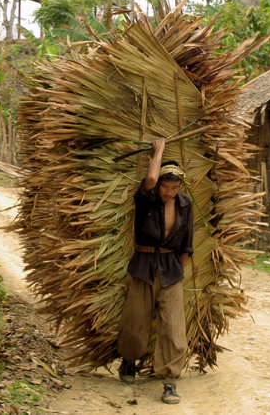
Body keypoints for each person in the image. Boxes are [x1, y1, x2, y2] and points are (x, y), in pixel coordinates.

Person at [117, 138, 194, 405]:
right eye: (165, 186)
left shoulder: (185, 204)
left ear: (180, 187)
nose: (168, 192)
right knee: (135, 321)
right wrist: (158, 150)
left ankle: (170, 381)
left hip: (171, 271)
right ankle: (128, 362)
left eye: (174, 187)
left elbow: (187, 244)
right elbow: (149, 178)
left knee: (173, 328)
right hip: (142, 267)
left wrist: (176, 271)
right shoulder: (146, 200)